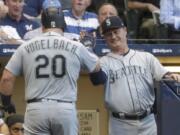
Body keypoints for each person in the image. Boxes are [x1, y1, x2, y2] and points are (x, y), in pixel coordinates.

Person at [0, 1, 102, 134]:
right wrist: (96, 74)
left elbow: (7, 78)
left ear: (42, 25)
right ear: (63, 25)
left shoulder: (25, 46)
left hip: (36, 108)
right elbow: (97, 69)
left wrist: (7, 102)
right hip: (65, 108)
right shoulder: (76, 46)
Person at [89, 16, 180, 135]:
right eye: (108, 34)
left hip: (148, 122)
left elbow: (164, 76)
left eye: (116, 32)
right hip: (120, 124)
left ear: (125, 30)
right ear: (105, 38)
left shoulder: (146, 57)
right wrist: (88, 52)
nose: (113, 36)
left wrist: (171, 75)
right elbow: (97, 79)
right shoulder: (103, 62)